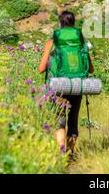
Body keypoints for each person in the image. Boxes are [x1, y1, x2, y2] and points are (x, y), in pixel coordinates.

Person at [38, 11, 94, 155]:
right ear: (74, 24)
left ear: (60, 24)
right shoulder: (81, 43)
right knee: (73, 121)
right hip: (76, 86)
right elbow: (91, 69)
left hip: (58, 87)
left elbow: (41, 69)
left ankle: (62, 153)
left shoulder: (52, 42)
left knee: (60, 121)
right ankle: (71, 155)